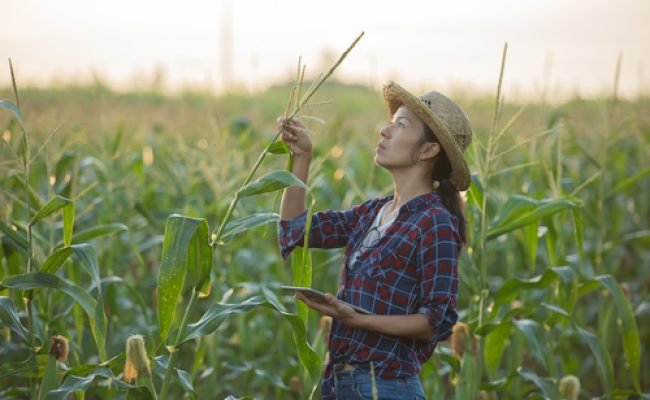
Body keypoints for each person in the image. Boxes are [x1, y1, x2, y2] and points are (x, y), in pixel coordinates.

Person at [277, 81, 472, 400]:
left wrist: (356, 318)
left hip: (387, 386)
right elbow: (295, 230)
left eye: (401, 125)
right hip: (338, 386)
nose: (384, 131)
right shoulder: (370, 213)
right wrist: (302, 156)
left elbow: (436, 320)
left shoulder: (434, 222)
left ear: (427, 150)